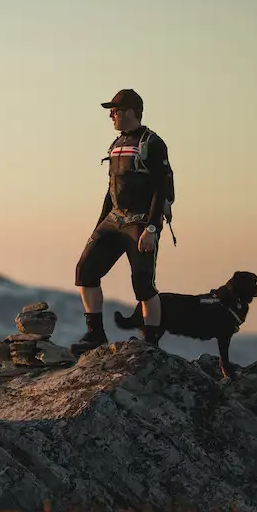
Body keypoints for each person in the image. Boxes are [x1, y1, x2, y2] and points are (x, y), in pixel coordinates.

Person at [72, 89, 174, 354]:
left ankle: (150, 343)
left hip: (139, 221)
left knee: (143, 283)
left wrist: (152, 228)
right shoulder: (116, 144)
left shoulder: (152, 142)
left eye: (115, 110)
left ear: (130, 111)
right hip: (114, 219)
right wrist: (99, 225)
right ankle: (95, 335)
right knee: (85, 271)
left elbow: (159, 190)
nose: (111, 115)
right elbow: (112, 188)